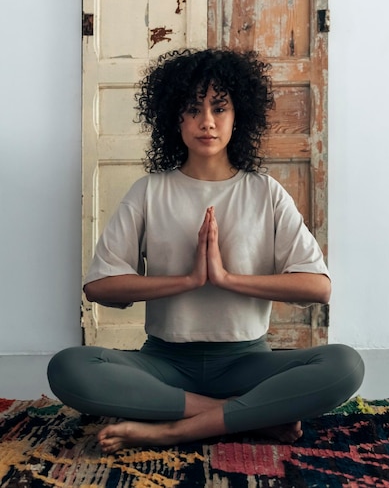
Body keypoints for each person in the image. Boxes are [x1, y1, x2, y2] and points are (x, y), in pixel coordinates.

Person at [47, 48, 364, 453]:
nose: (207, 122)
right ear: (172, 117)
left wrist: (227, 280)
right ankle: (242, 414)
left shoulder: (264, 191)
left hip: (247, 363)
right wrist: (188, 280)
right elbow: (100, 287)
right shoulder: (149, 191)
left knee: (345, 365)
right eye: (193, 109)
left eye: (219, 109)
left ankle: (174, 429)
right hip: (163, 364)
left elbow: (318, 287)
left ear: (238, 116)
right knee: (68, 367)